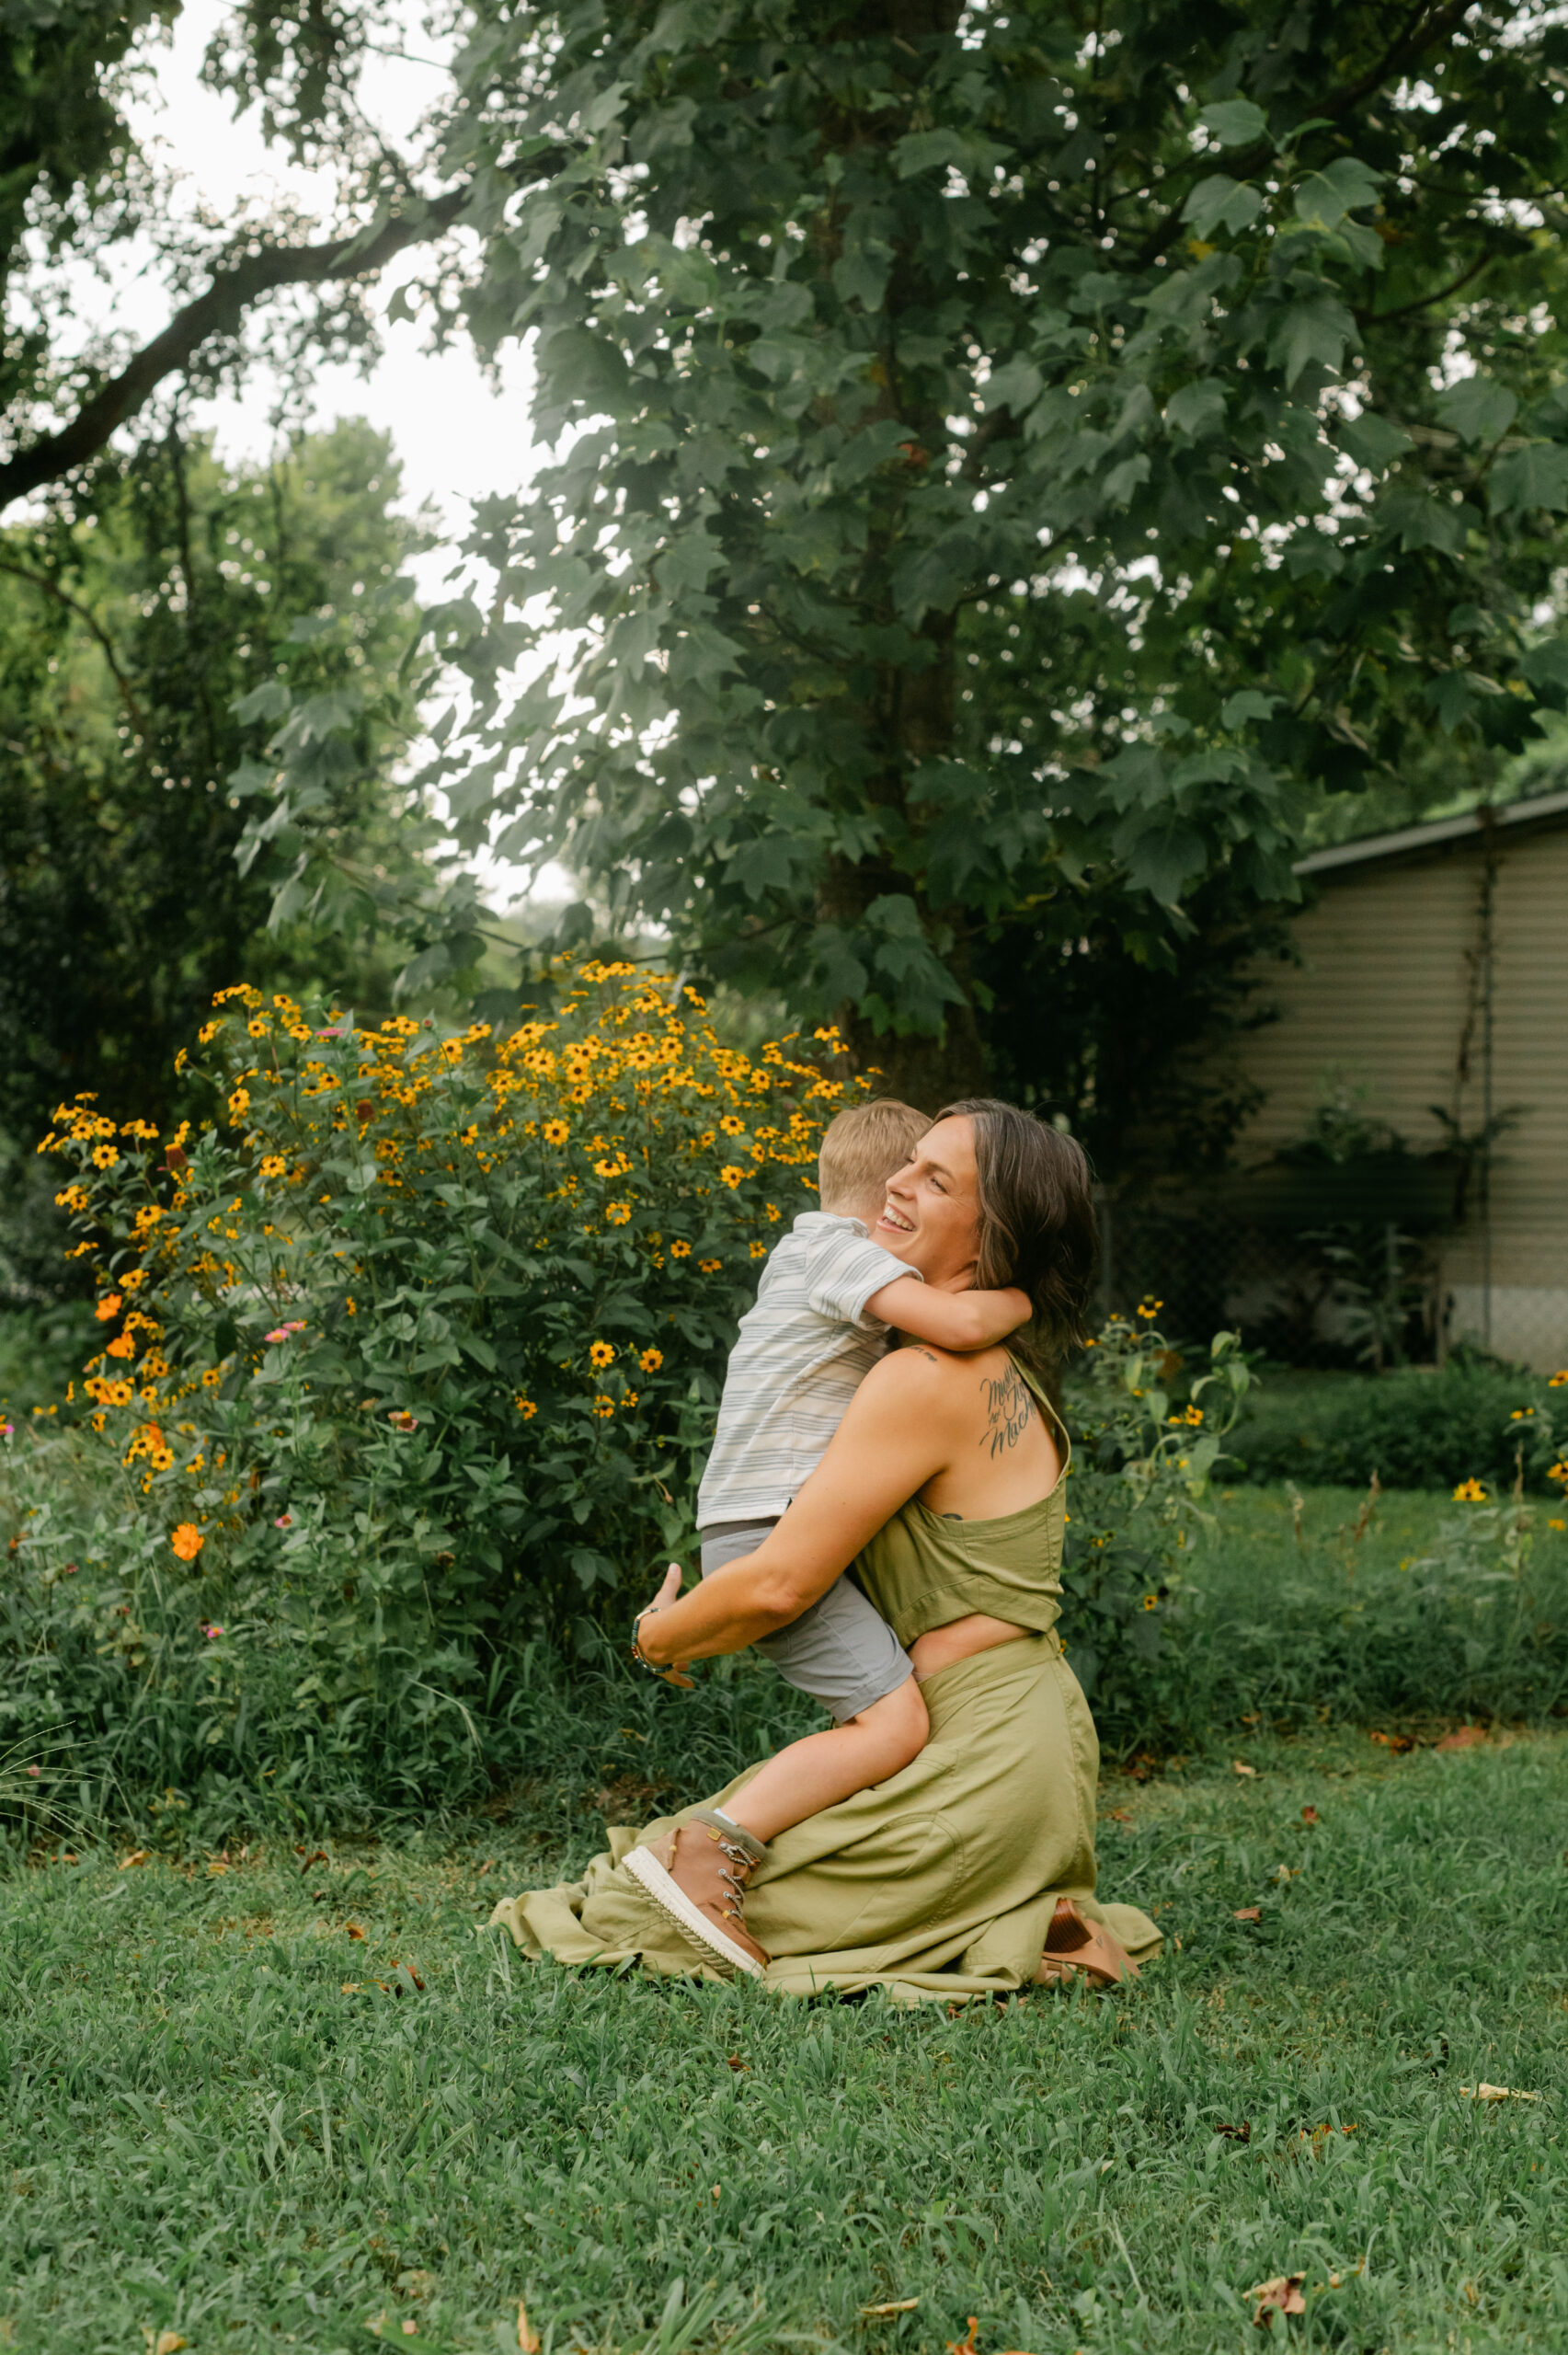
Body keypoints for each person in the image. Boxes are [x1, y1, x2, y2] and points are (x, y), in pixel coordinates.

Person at [491, 1100, 1161, 2003]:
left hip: (977, 1751)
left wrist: (661, 1638)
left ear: (989, 1229)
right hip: (1020, 1739)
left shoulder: (922, 1377)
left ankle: (964, 1894)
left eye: (935, 1178)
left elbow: (776, 1584)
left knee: (645, 1908)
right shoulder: (986, 1363)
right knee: (672, 1872)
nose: (895, 1182)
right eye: (907, 1162)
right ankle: (986, 1899)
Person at [623, 1097, 1032, 1963]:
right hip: (767, 1528)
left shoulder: (818, 1260)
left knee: (883, 1717)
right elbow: (959, 1323)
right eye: (915, 1181)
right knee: (890, 1726)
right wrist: (1025, 1297)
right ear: (883, 1200)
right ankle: (715, 1844)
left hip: (759, 1515)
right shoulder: (833, 1252)